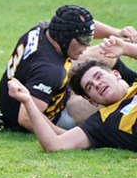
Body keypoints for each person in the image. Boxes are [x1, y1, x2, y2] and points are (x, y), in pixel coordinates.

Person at [0, 5, 137, 133]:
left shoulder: (45, 29)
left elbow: (85, 26)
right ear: (65, 38)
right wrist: (64, 137)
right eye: (83, 40)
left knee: (106, 54)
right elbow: (25, 118)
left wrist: (117, 33)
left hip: (43, 90)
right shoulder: (50, 72)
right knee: (115, 92)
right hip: (55, 113)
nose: (87, 45)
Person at [8, 35, 137, 152]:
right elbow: (54, 144)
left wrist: (127, 48)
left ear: (116, 74)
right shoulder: (100, 123)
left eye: (99, 76)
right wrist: (27, 101)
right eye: (89, 87)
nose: (97, 84)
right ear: (92, 101)